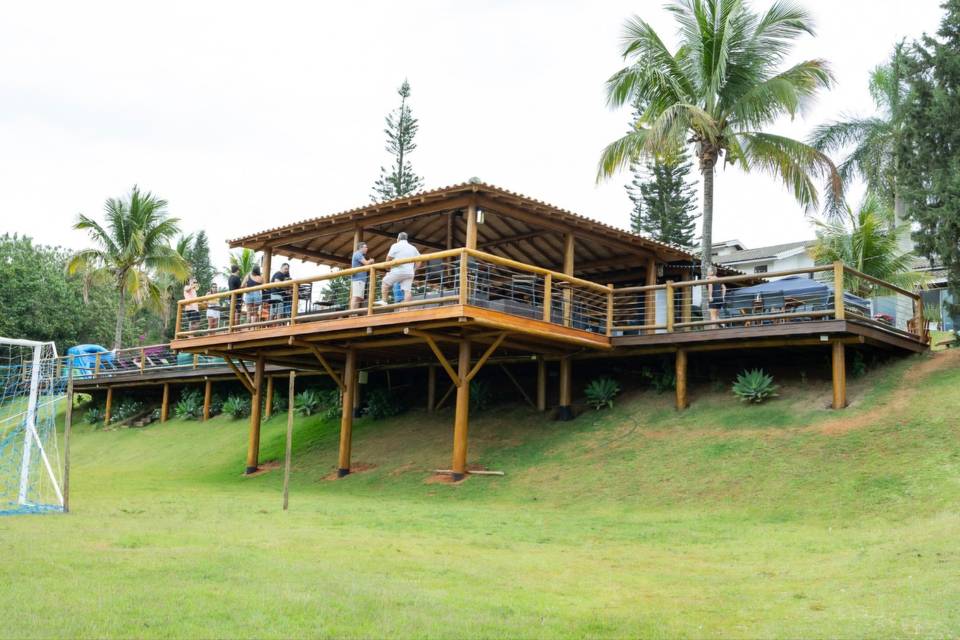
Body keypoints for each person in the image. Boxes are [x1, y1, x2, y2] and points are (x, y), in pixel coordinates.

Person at [379, 232, 420, 305]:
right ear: (406, 239)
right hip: (409, 272)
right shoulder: (413, 247)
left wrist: (387, 268)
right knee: (407, 290)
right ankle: (406, 309)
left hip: (398, 271)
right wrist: (414, 269)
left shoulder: (395, 245)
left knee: (385, 282)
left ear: (398, 239)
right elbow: (419, 259)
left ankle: (384, 301)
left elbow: (388, 259)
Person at [350, 242, 375, 309]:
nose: (367, 248)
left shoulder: (359, 255)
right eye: (365, 247)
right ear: (361, 248)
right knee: (356, 297)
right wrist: (371, 260)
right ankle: (352, 314)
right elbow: (366, 263)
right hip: (358, 279)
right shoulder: (358, 254)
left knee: (358, 298)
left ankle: (354, 314)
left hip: (360, 279)